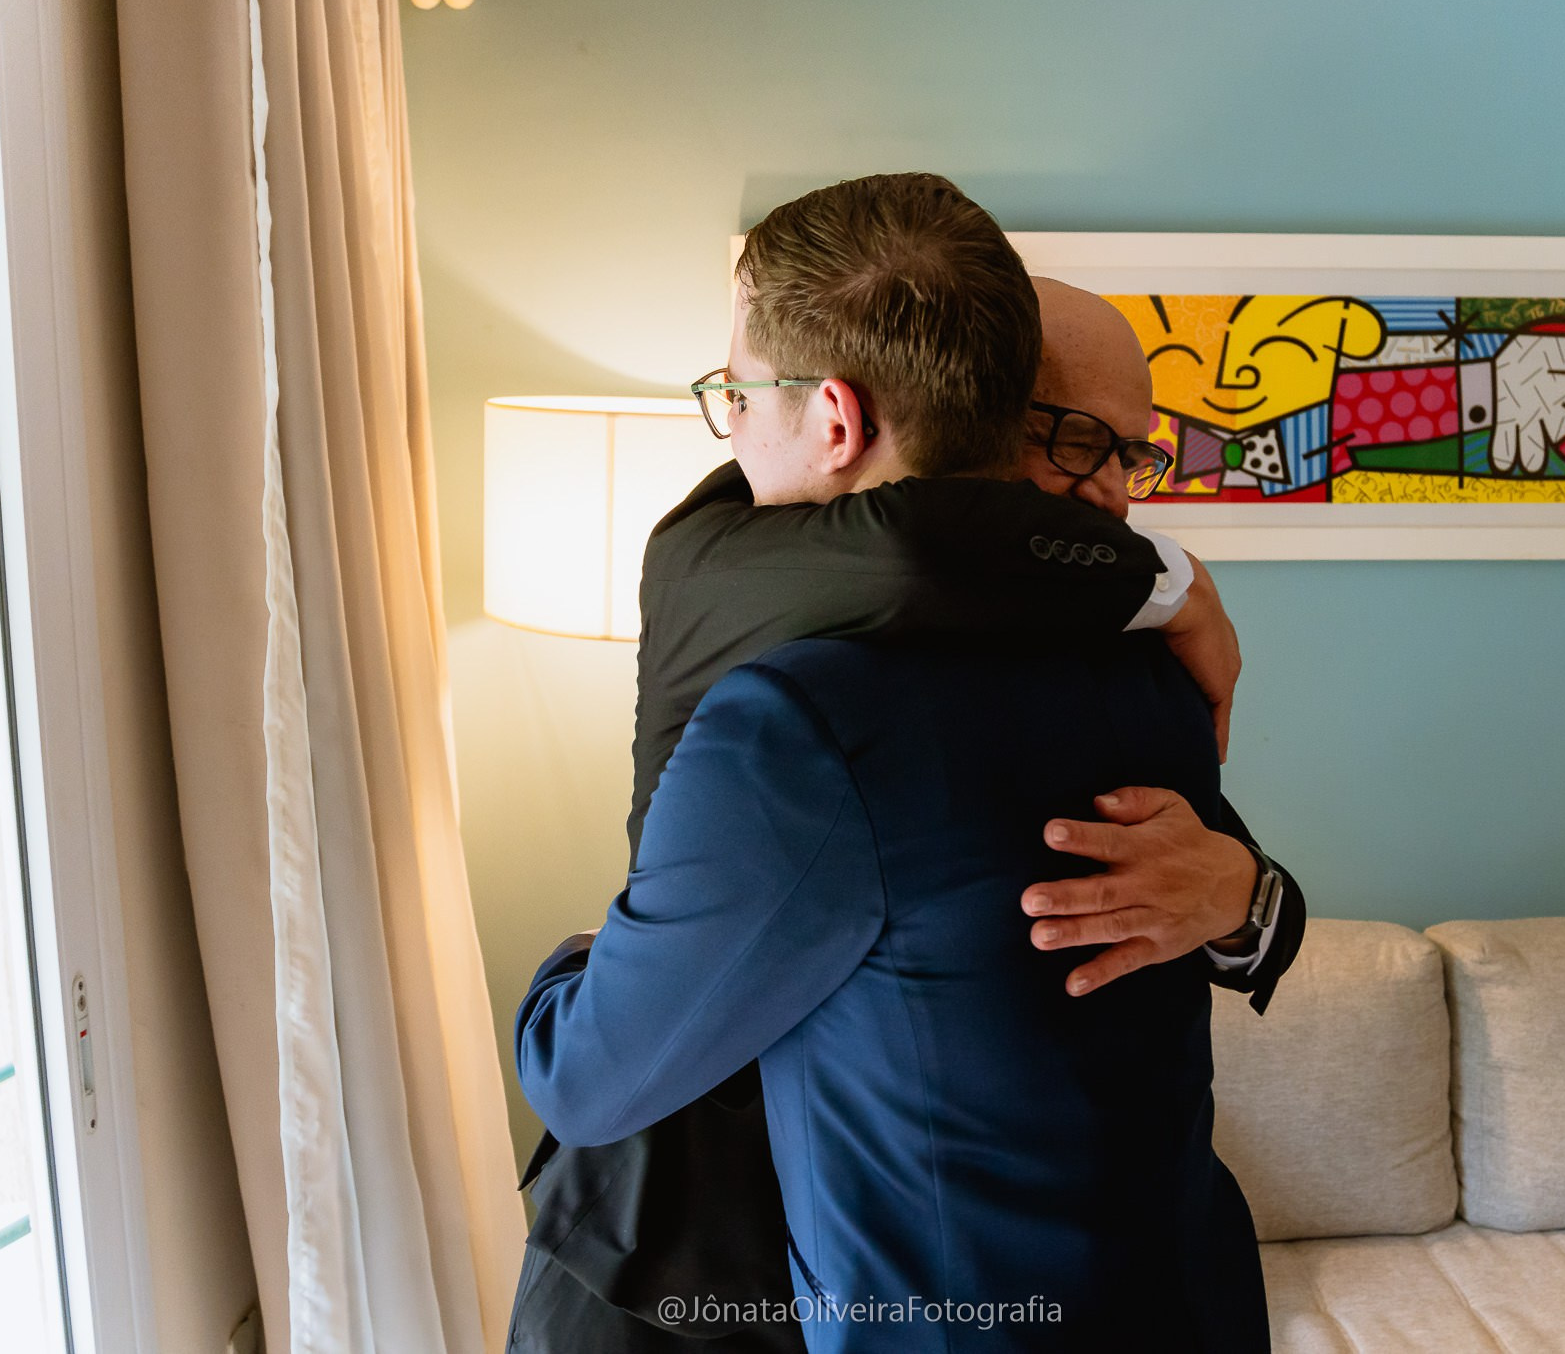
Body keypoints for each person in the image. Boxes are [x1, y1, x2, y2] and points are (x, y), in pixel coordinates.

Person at [511, 174, 1300, 1351]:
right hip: (725, 1242)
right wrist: (1168, 582)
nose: (1108, 496)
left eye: (1131, 456)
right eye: (1073, 440)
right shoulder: (1144, 656)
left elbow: (586, 1075)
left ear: (835, 417)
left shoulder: (818, 716)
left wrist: (1245, 896)